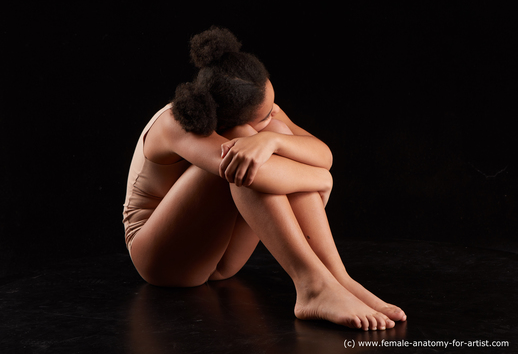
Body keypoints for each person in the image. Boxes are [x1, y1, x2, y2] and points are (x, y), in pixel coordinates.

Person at [123, 26, 406, 331]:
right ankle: (311, 286)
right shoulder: (176, 123)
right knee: (242, 156)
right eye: (266, 113)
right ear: (229, 116)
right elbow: (272, 171)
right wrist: (323, 180)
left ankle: (337, 278)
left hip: (221, 258)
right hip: (164, 260)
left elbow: (323, 154)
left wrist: (274, 142)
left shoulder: (254, 104)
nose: (274, 114)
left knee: (277, 139)